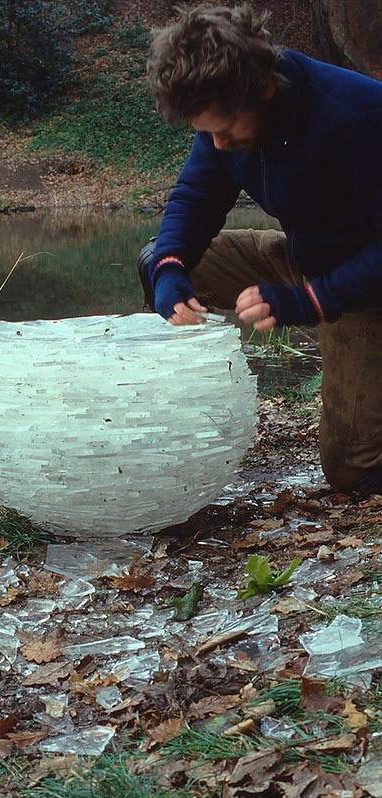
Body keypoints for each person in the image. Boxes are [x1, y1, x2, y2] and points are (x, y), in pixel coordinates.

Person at [137, 2, 382, 493]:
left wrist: (311, 301)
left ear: (265, 90)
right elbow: (196, 197)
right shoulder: (223, 116)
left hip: (365, 287)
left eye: (225, 131)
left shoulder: (360, 115)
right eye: (206, 133)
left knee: (350, 470)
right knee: (160, 260)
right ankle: (174, 416)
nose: (218, 144)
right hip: (302, 257)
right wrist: (168, 269)